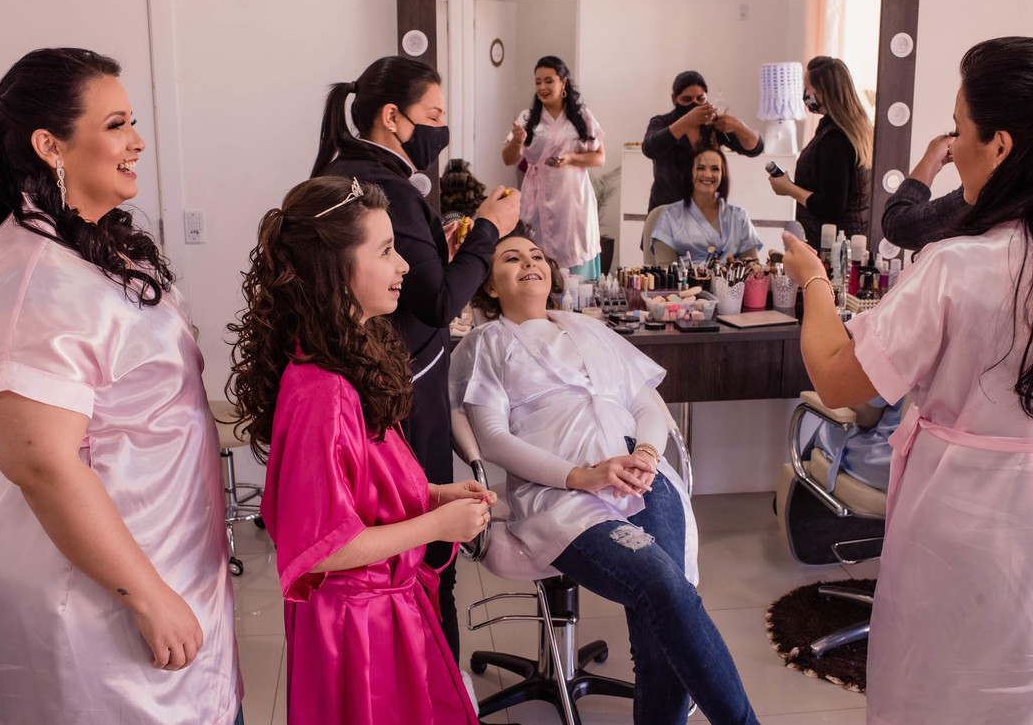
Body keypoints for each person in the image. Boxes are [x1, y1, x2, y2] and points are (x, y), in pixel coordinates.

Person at [781, 36, 1033, 725]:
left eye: (959, 128)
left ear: (999, 145)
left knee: (958, 688)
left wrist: (814, 282)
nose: (953, 145)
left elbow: (840, 378)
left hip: (972, 525)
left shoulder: (958, 268)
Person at [0, 48, 241, 725]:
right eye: (115, 124)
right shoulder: (32, 280)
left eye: (133, 120)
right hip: (93, 594)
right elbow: (41, 461)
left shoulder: (93, 246)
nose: (136, 140)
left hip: (160, 553)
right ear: (50, 144)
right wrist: (145, 595)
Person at [450, 227, 761, 725]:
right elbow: (492, 439)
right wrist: (581, 477)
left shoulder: (589, 327)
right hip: (564, 500)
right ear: (489, 286)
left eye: (536, 253)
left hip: (641, 476)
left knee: (659, 620)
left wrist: (646, 452)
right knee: (662, 584)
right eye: (511, 258)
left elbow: (644, 402)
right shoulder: (487, 344)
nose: (529, 260)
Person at [228, 176, 494, 725]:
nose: (405, 267)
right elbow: (320, 548)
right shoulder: (322, 392)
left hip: (380, 613)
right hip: (354, 630)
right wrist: (435, 526)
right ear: (337, 269)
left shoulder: (346, 361)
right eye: (386, 251)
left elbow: (359, 490)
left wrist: (433, 494)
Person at [310, 56, 519, 659]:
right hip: (403, 387)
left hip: (377, 376)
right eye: (434, 115)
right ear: (393, 118)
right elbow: (436, 301)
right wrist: (486, 231)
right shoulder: (389, 191)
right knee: (427, 565)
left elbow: (414, 284)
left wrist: (440, 250)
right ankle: (436, 691)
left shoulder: (342, 173)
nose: (441, 128)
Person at [502, 55, 604, 279]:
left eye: (549, 80)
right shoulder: (528, 118)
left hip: (573, 199)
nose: (542, 87)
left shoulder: (581, 117)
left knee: (575, 252)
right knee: (538, 255)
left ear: (563, 82)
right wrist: (518, 140)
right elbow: (508, 159)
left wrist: (570, 160)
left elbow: (599, 158)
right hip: (538, 197)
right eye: (538, 82)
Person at [768, 56, 873, 249]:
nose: (804, 94)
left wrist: (788, 188)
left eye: (808, 88)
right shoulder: (848, 131)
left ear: (823, 93)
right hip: (843, 242)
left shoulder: (835, 139)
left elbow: (832, 206)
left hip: (832, 249)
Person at [642, 70, 764, 211]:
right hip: (666, 208)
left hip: (706, 210)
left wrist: (738, 126)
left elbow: (755, 149)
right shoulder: (662, 122)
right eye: (687, 100)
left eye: (700, 99)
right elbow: (650, 148)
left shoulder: (713, 124)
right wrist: (686, 121)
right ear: (674, 99)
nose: (694, 104)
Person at [650, 145, 762, 265]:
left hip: (731, 283)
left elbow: (753, 269)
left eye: (715, 169)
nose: (708, 175)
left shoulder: (739, 216)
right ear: (690, 172)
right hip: (684, 283)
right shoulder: (669, 216)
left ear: (723, 174)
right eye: (700, 168)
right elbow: (665, 272)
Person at [881, 132, 971, 250]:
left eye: (959, 133)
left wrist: (931, 159)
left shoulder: (975, 199)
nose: (952, 147)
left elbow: (896, 225)